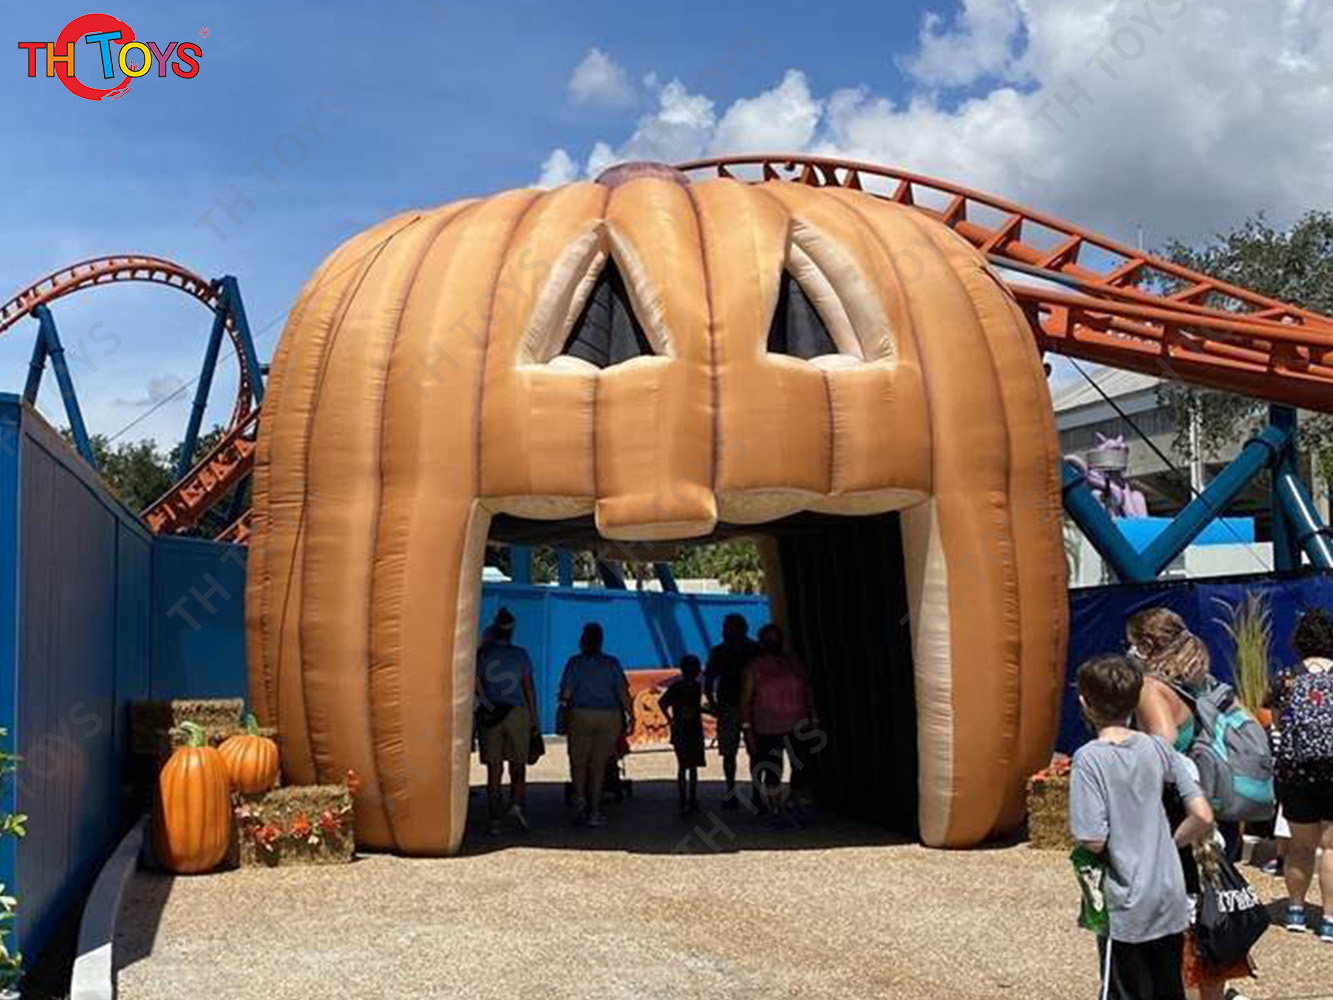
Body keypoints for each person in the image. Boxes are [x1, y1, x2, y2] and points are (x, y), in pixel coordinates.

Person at [1070, 654, 1215, 1000]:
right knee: (1168, 985)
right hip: (1169, 893)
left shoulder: (1089, 759)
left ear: (1084, 702)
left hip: (1125, 899)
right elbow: (1203, 815)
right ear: (1136, 700)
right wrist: (1168, 842)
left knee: (1124, 988)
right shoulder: (1158, 749)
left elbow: (1091, 836)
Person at [1126, 608, 1253, 998]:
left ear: (1146, 645)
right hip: (1214, 812)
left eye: (1131, 642)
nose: (1128, 650)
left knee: (1177, 922)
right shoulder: (1198, 683)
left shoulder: (1151, 687)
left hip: (1178, 816)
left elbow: (1162, 739)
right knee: (1207, 916)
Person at [1273, 608, 1333, 940]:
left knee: (1301, 845)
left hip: (1296, 772)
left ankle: (1295, 910)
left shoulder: (1285, 677)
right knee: (1332, 848)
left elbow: (1278, 721)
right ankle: (1329, 920)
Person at [559, 623, 632, 827]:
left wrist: (564, 714)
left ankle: (580, 800)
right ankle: (595, 810)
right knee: (599, 765)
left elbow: (566, 694)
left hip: (580, 715)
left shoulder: (574, 663)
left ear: (583, 640)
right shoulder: (612, 664)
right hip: (608, 716)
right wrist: (631, 715)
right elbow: (622, 693)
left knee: (578, 762)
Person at [475, 607, 539, 835]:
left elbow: (476, 686)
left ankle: (494, 819)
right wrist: (535, 721)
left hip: (491, 713)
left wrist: (487, 704)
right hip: (516, 713)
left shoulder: (483, 656)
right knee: (518, 764)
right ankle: (517, 805)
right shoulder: (520, 655)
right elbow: (528, 688)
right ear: (512, 632)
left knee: (494, 768)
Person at [740, 624, 815, 819]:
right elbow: (746, 700)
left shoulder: (793, 663)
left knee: (802, 766)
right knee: (773, 768)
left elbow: (807, 689)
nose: (773, 642)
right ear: (762, 642)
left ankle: (794, 801)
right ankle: (776, 809)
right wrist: (747, 729)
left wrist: (814, 717)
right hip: (767, 726)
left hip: (798, 724)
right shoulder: (753, 668)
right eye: (768, 639)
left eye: (776, 638)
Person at [705, 614, 761, 808]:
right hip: (739, 706)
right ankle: (750, 793)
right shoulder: (753, 649)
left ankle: (740, 792)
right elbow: (709, 679)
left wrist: (713, 703)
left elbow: (709, 679)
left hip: (734, 705)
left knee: (737, 752)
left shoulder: (722, 652)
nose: (725, 631)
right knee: (743, 752)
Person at [659, 654, 706, 815]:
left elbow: (662, 703)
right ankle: (691, 799)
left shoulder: (677, 686)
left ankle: (684, 799)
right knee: (692, 767)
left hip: (681, 728)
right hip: (693, 729)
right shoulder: (695, 687)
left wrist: (670, 719)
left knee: (683, 766)